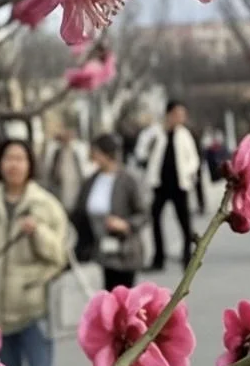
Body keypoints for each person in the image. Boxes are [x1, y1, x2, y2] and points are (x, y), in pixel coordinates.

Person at [0, 139, 68, 366]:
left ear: (30, 164)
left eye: (20, 159)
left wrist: (38, 232)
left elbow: (60, 255)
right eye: (8, 158)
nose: (14, 165)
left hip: (35, 312)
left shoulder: (46, 204)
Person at [71, 134, 146, 289]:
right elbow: (78, 211)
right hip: (99, 249)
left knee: (123, 293)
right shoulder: (90, 181)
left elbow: (143, 213)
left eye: (95, 152)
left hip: (124, 249)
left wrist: (125, 224)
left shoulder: (128, 180)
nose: (92, 156)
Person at [143, 101, 201, 269]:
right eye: (176, 114)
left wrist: (188, 172)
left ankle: (187, 256)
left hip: (179, 184)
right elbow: (143, 151)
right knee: (155, 219)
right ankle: (158, 257)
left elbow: (193, 159)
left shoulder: (185, 135)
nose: (179, 118)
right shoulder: (157, 133)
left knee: (184, 221)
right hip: (160, 184)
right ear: (168, 114)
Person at [45, 126, 87, 214]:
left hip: (74, 189)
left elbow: (82, 172)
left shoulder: (77, 151)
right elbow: (51, 173)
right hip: (59, 190)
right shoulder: (56, 152)